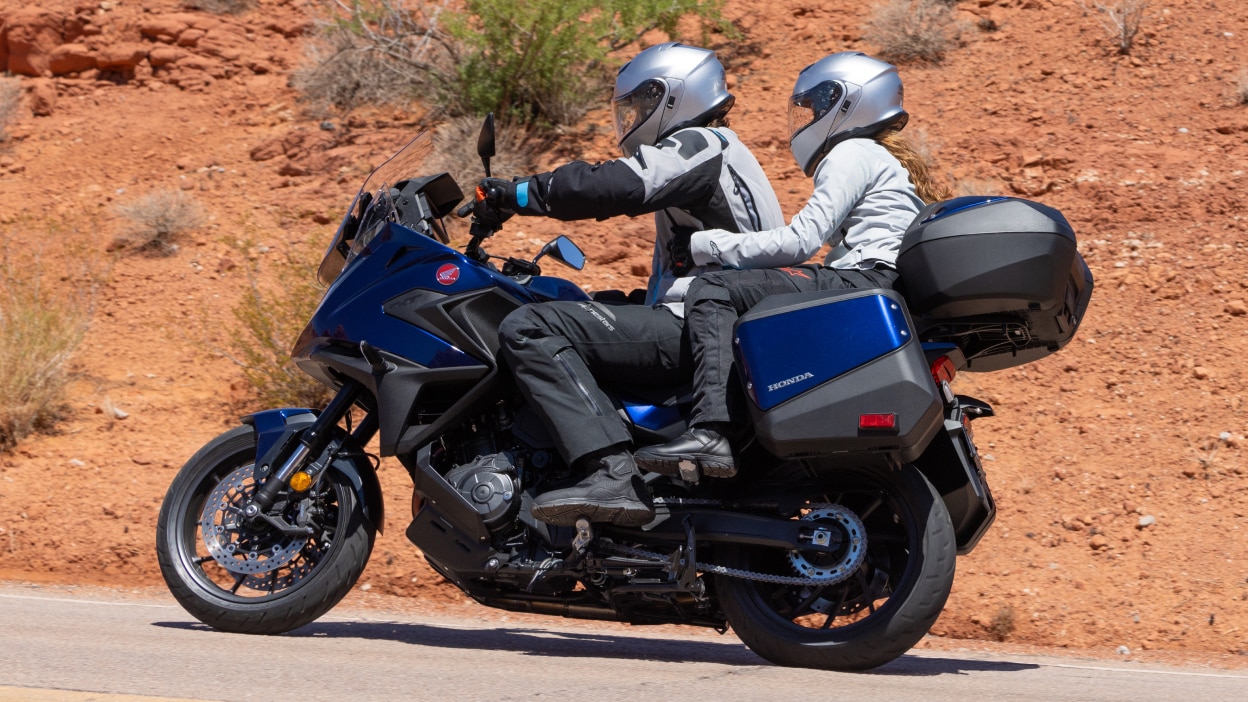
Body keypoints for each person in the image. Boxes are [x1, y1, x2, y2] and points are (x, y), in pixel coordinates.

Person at [471, 43, 785, 527]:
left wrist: (518, 193)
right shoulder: (720, 156)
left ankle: (611, 472)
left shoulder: (700, 144)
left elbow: (615, 185)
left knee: (530, 327)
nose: (632, 119)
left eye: (640, 105)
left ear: (674, 97)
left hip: (705, 327)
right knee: (582, 305)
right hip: (716, 324)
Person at [634, 51, 952, 479]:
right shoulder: (885, 159)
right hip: (883, 282)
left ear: (849, 102)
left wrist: (703, 244)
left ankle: (712, 430)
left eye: (820, 104)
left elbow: (801, 240)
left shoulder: (851, 151)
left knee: (714, 290)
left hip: (864, 279)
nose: (812, 116)